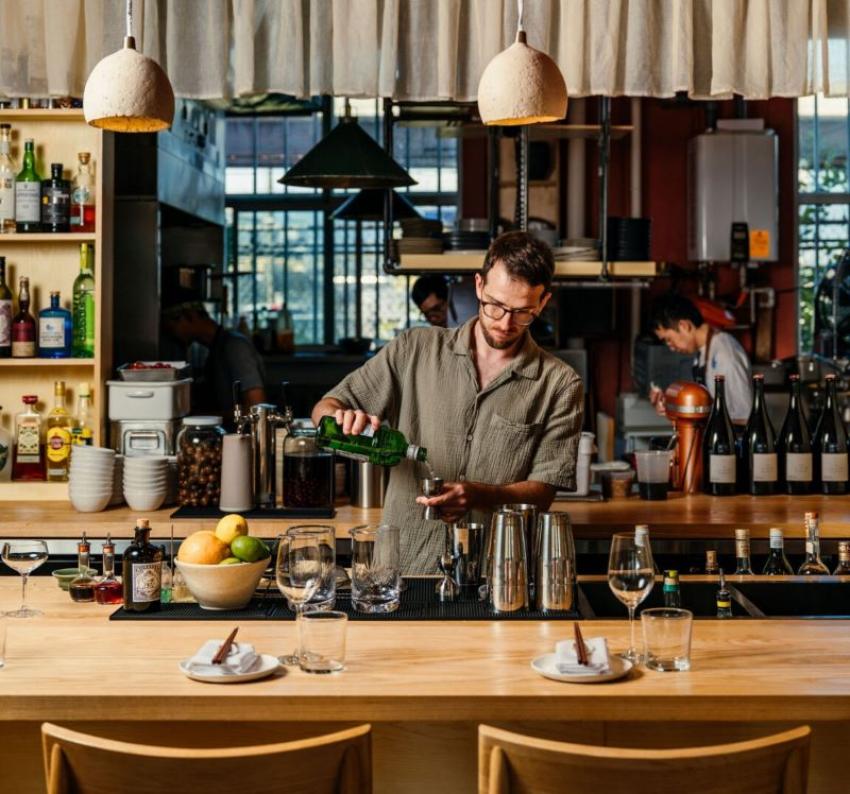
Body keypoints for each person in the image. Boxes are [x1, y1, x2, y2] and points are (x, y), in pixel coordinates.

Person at [313, 231, 584, 573]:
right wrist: (341, 418)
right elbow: (325, 407)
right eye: (495, 306)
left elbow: (543, 493)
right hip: (403, 569)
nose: (504, 323)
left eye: (522, 313)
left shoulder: (559, 383)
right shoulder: (414, 349)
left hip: (497, 576)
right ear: (479, 286)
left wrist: (480, 495)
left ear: (543, 301)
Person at [650, 293, 752, 423]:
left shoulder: (725, 354)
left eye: (668, 339)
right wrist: (671, 408)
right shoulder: (702, 352)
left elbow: (745, 418)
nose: (670, 347)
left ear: (684, 326)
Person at [162, 301, 267, 416]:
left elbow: (256, 406)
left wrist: (203, 417)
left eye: (171, 327)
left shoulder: (234, 346)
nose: (172, 334)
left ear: (190, 316)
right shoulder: (216, 349)